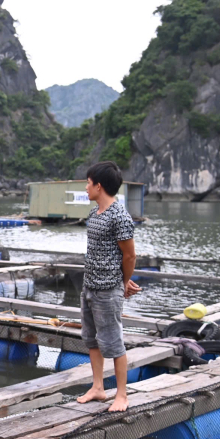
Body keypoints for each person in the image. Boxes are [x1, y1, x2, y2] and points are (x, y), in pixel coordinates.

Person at [76, 161, 141, 413]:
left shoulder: (120, 217)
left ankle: (122, 395)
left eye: (88, 183)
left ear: (98, 186)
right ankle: (98, 387)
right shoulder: (94, 214)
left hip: (108, 290)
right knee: (91, 339)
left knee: (113, 342)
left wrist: (123, 283)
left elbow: (129, 256)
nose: (86, 187)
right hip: (89, 286)